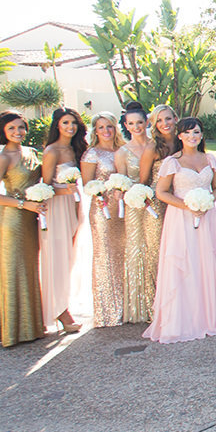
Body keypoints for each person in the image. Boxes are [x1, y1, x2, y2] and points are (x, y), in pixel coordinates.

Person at [144, 117, 216, 343]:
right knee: (185, 262)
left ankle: (210, 316)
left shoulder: (210, 159)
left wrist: (208, 202)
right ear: (180, 136)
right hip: (181, 219)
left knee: (206, 261)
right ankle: (183, 318)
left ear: (201, 135)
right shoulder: (172, 162)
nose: (192, 136)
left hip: (207, 218)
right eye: (187, 133)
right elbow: (162, 192)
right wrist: (187, 205)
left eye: (196, 132)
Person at [0, 110, 46, 347]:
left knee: (29, 269)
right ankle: (11, 331)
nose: (17, 132)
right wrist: (24, 204)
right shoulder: (3, 158)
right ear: (2, 132)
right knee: (12, 271)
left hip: (30, 218)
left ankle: (31, 327)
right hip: (10, 219)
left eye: (21, 127)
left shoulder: (31, 153)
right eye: (11, 129)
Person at [39, 107, 86, 334]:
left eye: (74, 123)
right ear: (57, 125)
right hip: (57, 208)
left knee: (70, 258)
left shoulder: (75, 149)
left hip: (74, 207)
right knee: (57, 259)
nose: (70, 127)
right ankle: (60, 310)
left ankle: (64, 302)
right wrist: (63, 190)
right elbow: (45, 186)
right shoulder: (52, 151)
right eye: (66, 123)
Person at [81, 111, 126, 327]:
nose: (106, 131)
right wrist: (101, 195)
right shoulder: (92, 154)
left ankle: (127, 306)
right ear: (95, 130)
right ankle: (108, 310)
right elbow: (87, 184)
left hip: (124, 209)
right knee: (105, 255)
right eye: (101, 127)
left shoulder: (123, 150)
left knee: (124, 254)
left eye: (109, 126)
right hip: (102, 209)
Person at [117, 105, 156, 323]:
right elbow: (122, 183)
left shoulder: (156, 145)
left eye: (139, 122)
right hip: (135, 205)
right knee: (136, 248)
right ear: (125, 126)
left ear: (146, 123)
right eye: (131, 123)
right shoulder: (122, 152)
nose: (136, 127)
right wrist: (134, 194)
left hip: (158, 202)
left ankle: (160, 300)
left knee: (156, 248)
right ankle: (140, 306)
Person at [144, 104, 180, 295]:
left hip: (182, 200)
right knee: (159, 251)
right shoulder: (152, 148)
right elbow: (144, 181)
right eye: (159, 120)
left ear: (175, 118)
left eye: (167, 118)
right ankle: (159, 298)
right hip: (158, 204)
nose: (164, 123)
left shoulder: (185, 141)